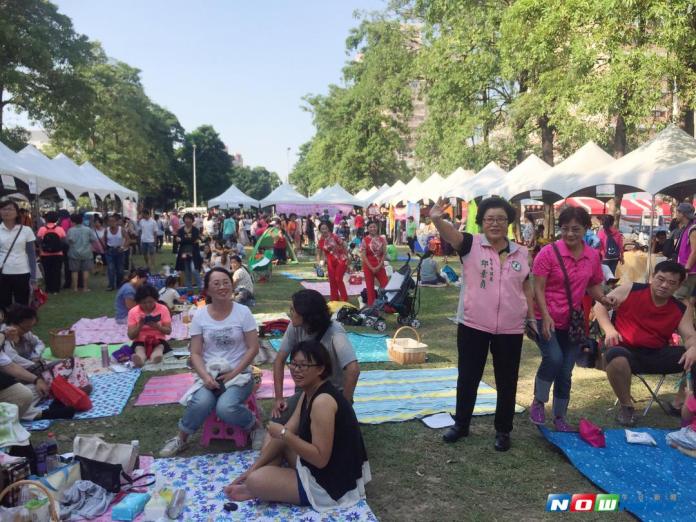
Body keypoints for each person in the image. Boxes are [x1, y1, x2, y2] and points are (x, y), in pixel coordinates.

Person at [430, 197, 535, 451]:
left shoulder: (522, 252)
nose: (495, 224)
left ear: (508, 222)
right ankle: (461, 424)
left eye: (500, 218)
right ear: (482, 223)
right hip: (473, 324)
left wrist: (531, 316)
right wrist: (436, 218)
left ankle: (503, 430)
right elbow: (451, 233)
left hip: (510, 327)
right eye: (489, 219)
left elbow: (526, 286)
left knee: (507, 380)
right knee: (468, 377)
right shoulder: (470, 244)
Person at [225, 339, 370, 511]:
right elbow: (289, 430)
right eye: (293, 364)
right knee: (270, 447)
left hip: (331, 483)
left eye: (303, 366)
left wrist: (284, 433)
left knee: (257, 480)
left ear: (321, 369)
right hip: (323, 466)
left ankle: (257, 486)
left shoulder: (322, 402)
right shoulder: (309, 392)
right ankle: (261, 481)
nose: (295, 370)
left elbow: (320, 459)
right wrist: (251, 469)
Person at [160, 267, 262, 456]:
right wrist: (205, 377)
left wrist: (234, 373)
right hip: (209, 373)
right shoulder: (200, 315)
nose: (222, 287)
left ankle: (255, 426)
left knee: (226, 408)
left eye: (226, 282)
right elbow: (196, 353)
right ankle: (181, 439)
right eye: (216, 283)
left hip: (239, 375)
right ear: (207, 289)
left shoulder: (243, 312)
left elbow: (253, 348)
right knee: (200, 403)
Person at [529, 206, 614, 432]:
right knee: (554, 358)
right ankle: (538, 401)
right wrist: (545, 315)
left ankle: (560, 417)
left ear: (586, 229)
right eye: (565, 229)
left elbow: (593, 285)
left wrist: (604, 299)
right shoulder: (548, 253)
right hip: (545, 317)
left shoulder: (592, 256)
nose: (569, 234)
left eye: (575, 229)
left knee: (566, 369)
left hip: (573, 321)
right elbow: (537, 288)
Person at [594, 260, 696, 426]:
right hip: (624, 349)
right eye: (660, 279)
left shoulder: (679, 308)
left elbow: (690, 336)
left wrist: (693, 348)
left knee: (695, 355)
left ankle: (683, 404)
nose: (664, 285)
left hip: (656, 354)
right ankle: (626, 407)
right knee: (616, 356)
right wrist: (609, 329)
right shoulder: (632, 289)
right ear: (652, 277)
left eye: (671, 283)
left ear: (678, 286)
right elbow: (600, 305)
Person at [272, 289, 359, 426]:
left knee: (317, 429)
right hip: (305, 391)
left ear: (307, 316)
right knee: (279, 420)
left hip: (332, 392)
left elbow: (353, 369)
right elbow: (279, 360)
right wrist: (278, 398)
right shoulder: (295, 327)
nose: (290, 314)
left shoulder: (335, 332)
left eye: (293, 310)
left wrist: (344, 407)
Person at [0, 200, 37, 311]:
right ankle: (6, 326)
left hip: (22, 271)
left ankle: (21, 326)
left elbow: (31, 254)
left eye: (10, 209)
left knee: (22, 303)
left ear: (17, 212)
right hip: (2, 272)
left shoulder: (26, 230)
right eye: (3, 209)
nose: (7, 211)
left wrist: (34, 277)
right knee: (3, 303)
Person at [127, 284, 172, 367]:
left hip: (158, 340)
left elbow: (168, 331)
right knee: (139, 349)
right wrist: (139, 325)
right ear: (139, 301)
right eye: (144, 303)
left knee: (159, 347)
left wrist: (158, 327)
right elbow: (131, 336)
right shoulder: (133, 312)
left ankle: (156, 357)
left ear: (155, 299)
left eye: (151, 302)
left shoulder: (163, 309)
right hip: (140, 341)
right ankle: (139, 359)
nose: (148, 305)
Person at [317, 222, 349, 301]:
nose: (324, 230)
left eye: (325, 228)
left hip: (341, 260)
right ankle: (334, 299)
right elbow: (320, 253)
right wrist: (320, 263)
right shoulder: (321, 241)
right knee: (332, 281)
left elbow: (344, 245)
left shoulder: (335, 236)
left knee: (338, 278)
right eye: (322, 229)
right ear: (320, 231)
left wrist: (348, 257)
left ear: (328, 228)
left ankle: (344, 298)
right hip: (330, 262)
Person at [36, 211, 66, 295]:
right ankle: (56, 289)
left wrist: (43, 248)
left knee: (47, 272)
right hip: (58, 254)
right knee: (57, 272)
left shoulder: (42, 229)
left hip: (45, 254)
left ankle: (48, 289)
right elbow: (64, 241)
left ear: (46, 219)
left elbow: (38, 241)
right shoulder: (60, 229)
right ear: (56, 219)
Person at [66, 214, 97, 292]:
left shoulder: (71, 230)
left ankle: (75, 288)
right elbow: (93, 239)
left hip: (74, 253)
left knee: (74, 271)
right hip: (86, 253)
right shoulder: (88, 229)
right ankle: (85, 287)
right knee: (85, 270)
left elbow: (68, 241)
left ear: (73, 221)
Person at [360, 220, 388, 306]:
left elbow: (384, 254)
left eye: (374, 227)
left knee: (386, 285)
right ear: (367, 229)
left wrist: (379, 266)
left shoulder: (382, 239)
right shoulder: (365, 240)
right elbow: (363, 256)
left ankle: (388, 304)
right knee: (370, 287)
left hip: (380, 266)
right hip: (368, 266)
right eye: (370, 227)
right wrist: (371, 267)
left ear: (377, 228)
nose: (373, 228)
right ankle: (371, 306)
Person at [175, 213, 203, 292]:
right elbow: (178, 241)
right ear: (184, 220)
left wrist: (182, 239)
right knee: (186, 271)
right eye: (186, 219)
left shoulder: (195, 230)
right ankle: (189, 289)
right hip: (183, 252)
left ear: (192, 220)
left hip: (194, 253)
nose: (187, 220)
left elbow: (194, 240)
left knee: (194, 270)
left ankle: (201, 288)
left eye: (189, 218)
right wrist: (185, 240)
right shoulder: (180, 230)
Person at [675, 202, 696, 301]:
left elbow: (695, 251)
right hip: (687, 270)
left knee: (679, 299)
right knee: (686, 301)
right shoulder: (687, 227)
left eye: (677, 212)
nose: (676, 214)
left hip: (691, 272)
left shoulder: (693, 228)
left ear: (682, 213)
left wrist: (686, 269)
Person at [103, 214, 127, 291]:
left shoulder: (121, 230)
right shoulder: (106, 230)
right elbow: (104, 239)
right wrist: (105, 247)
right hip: (110, 250)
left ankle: (119, 284)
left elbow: (128, 239)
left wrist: (123, 247)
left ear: (117, 222)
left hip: (119, 250)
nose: (111, 223)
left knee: (120, 269)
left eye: (113, 221)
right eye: (109, 221)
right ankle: (111, 285)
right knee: (110, 268)